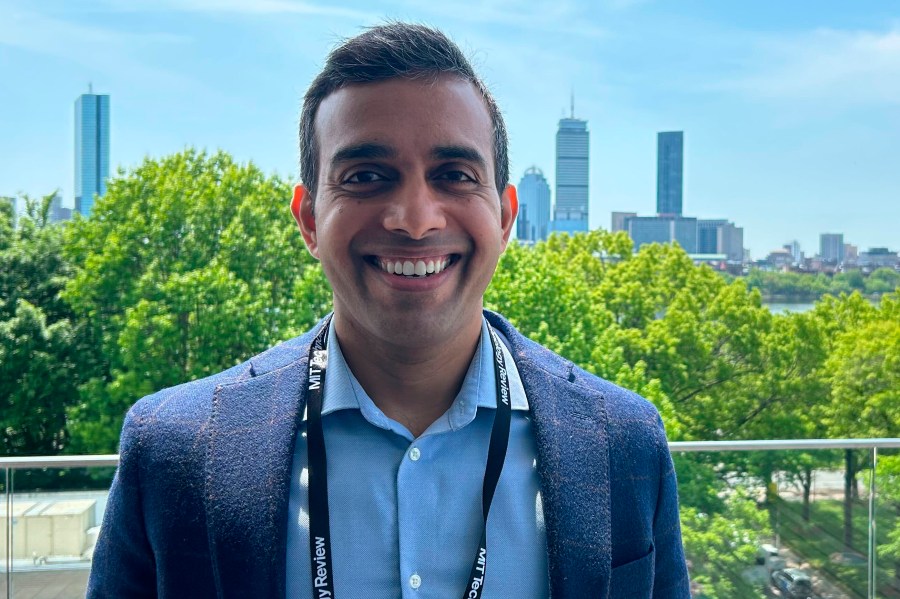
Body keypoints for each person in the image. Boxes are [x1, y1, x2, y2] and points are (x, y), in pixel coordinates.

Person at [87, 22, 690, 599]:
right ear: (308, 219)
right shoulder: (175, 451)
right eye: (367, 176)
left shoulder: (623, 444)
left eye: (454, 175)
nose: (415, 218)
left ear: (506, 217)